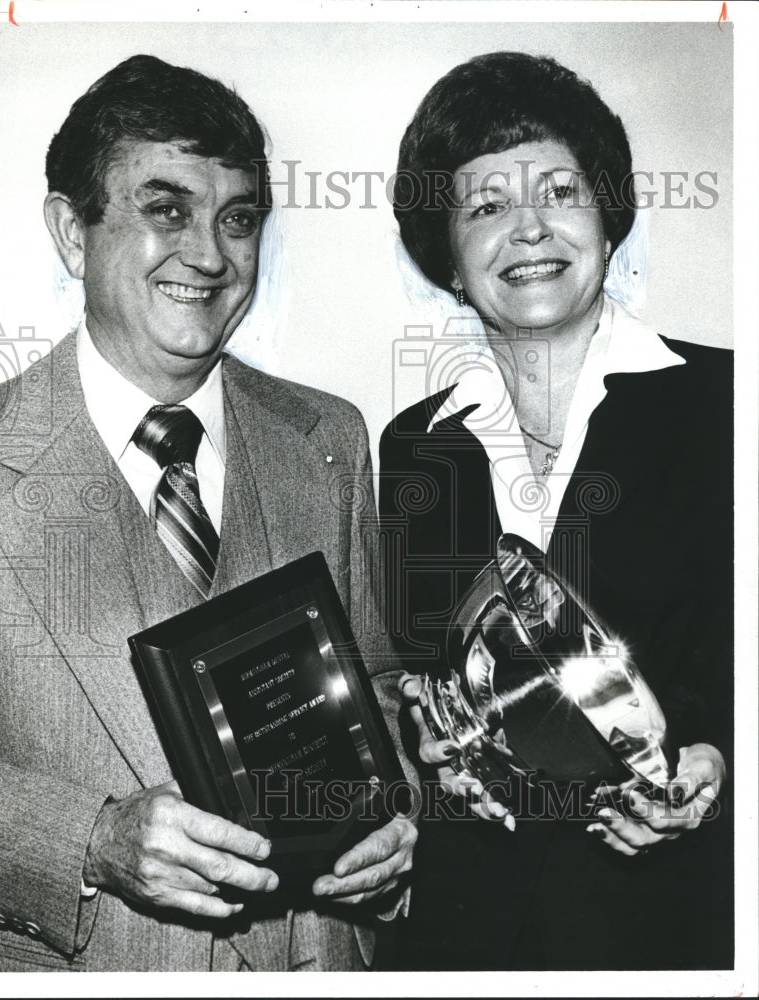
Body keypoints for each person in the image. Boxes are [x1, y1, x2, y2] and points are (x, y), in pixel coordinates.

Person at [0, 54, 416, 973]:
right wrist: (88, 840)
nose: (211, 255)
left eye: (238, 219)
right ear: (73, 232)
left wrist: (397, 815)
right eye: (165, 210)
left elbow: (381, 690)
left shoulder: (330, 438)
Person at [379, 51, 732, 971]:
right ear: (448, 259)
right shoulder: (413, 446)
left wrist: (718, 764)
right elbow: (423, 667)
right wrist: (432, 744)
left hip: (670, 924)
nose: (528, 230)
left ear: (609, 220)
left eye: (559, 192)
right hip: (466, 928)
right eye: (486, 206)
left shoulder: (730, 406)